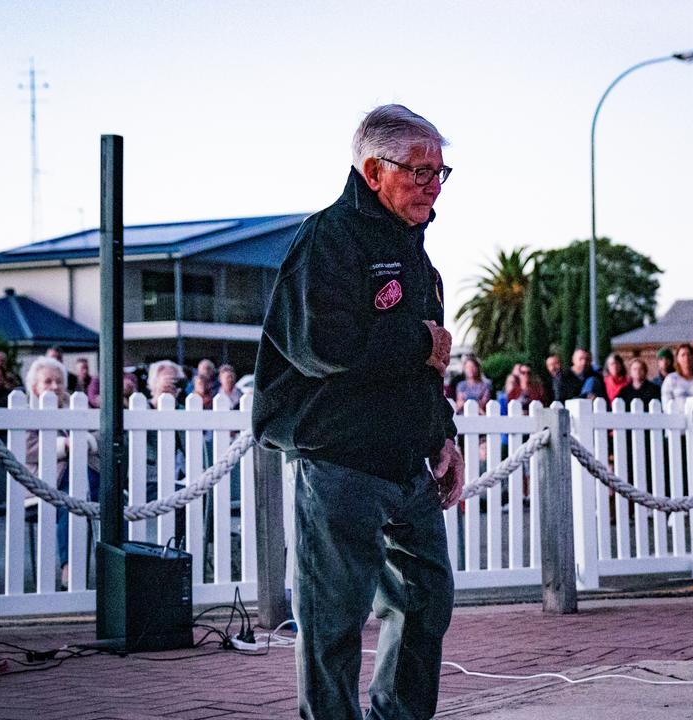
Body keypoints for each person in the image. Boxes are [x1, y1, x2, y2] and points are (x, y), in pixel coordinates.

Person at [251, 104, 463, 720]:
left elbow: (426, 369)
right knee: (334, 623)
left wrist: (441, 437)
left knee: (427, 601)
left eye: (440, 172)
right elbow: (321, 344)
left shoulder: (418, 255)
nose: (432, 185)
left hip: (406, 464)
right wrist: (418, 340)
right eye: (419, 171)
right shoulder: (328, 240)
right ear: (373, 170)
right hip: (339, 461)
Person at [22, 357, 100, 590]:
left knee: (114, 500)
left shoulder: (76, 408)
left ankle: (121, 568)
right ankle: (69, 568)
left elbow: (101, 431)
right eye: (48, 382)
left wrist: (86, 441)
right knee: (70, 500)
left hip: (88, 478)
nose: (55, 387)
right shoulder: (27, 413)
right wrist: (64, 445)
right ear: (35, 387)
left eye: (59, 381)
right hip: (46, 487)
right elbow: (27, 448)